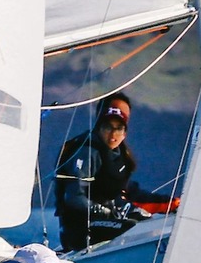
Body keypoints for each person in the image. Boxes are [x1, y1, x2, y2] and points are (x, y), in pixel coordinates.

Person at [53, 99, 152, 252]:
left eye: (119, 129)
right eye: (108, 127)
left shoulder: (117, 157)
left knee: (148, 222)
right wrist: (105, 211)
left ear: (124, 133)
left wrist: (136, 209)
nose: (113, 134)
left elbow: (124, 192)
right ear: (99, 128)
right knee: (130, 226)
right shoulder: (87, 152)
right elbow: (73, 198)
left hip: (102, 223)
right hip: (78, 230)